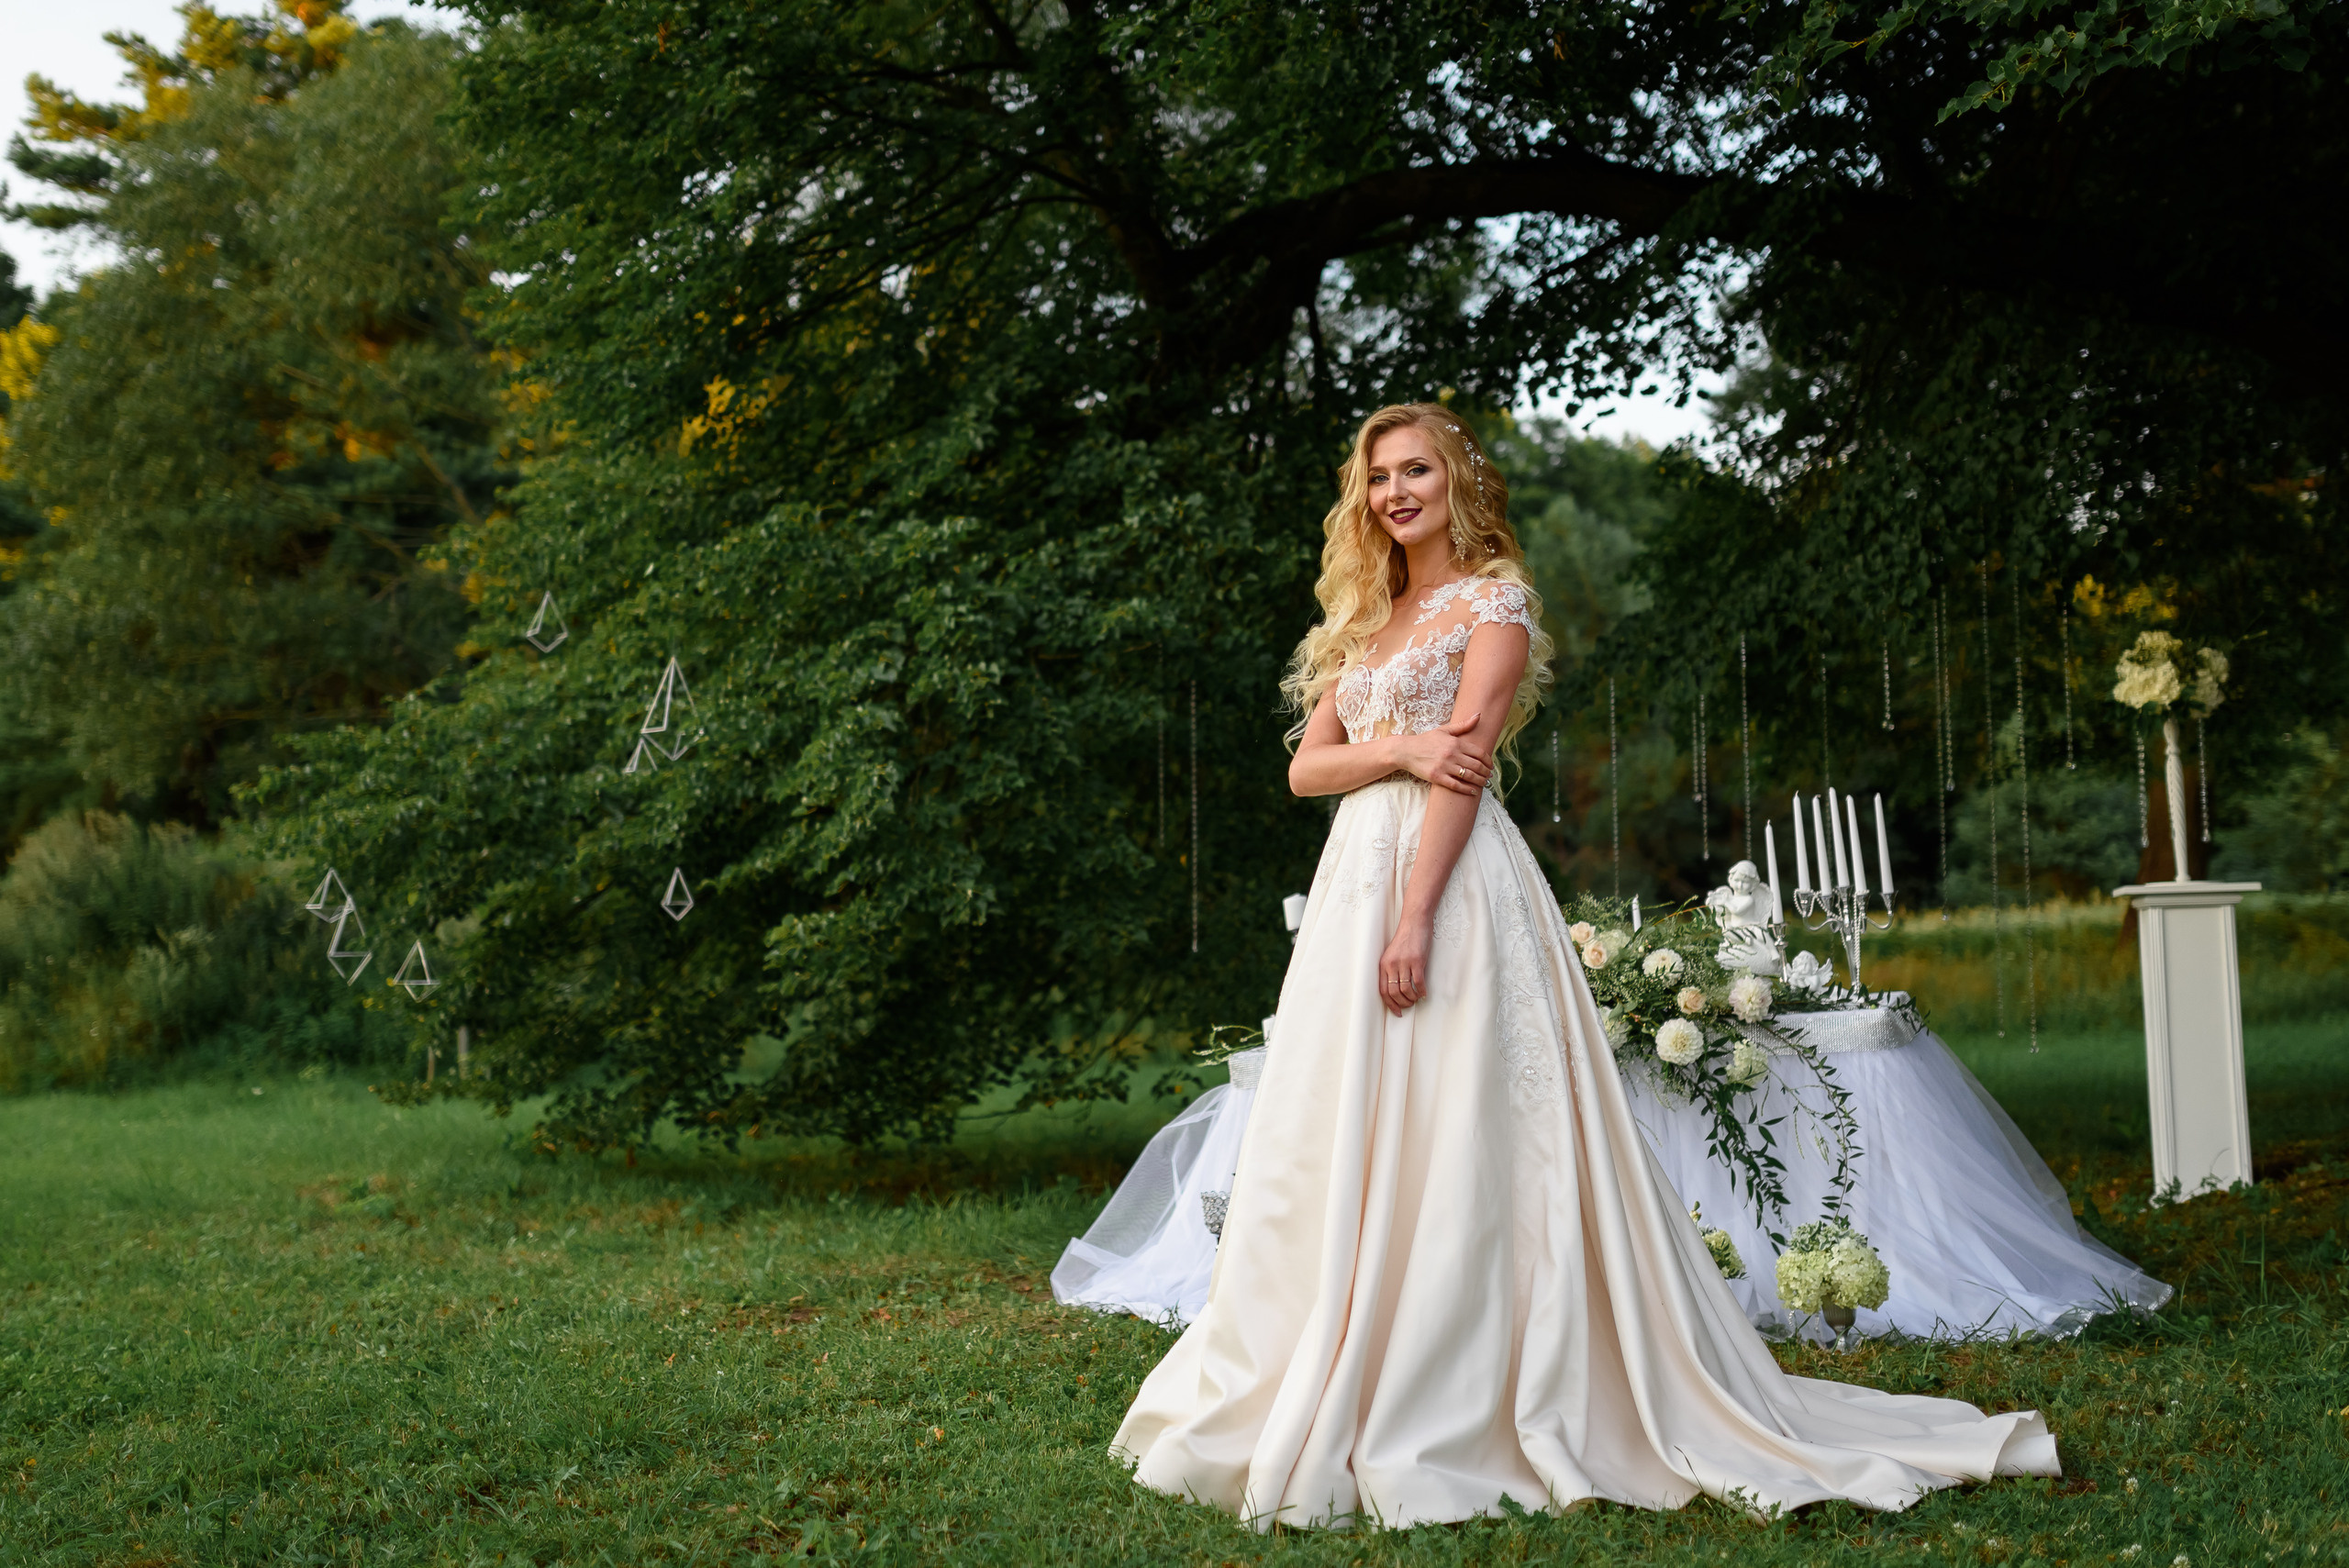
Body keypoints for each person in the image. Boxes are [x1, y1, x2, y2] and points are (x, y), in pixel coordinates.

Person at [1110, 404, 2057, 1529]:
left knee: (1460, 1113)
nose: (1395, 492)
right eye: (1378, 477)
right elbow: (1306, 771)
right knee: (1342, 1113)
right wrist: (1402, 745)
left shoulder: (1493, 605)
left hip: (1448, 890)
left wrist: (1415, 919)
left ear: (1458, 481)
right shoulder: (1365, 617)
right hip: (1350, 886)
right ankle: (1339, 1337)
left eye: (1416, 470)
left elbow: (1463, 773)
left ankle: (1462, 1364)